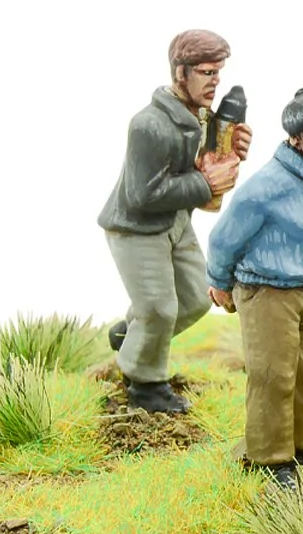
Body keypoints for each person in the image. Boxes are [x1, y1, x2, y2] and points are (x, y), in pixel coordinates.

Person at [98, 29, 252, 415]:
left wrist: (230, 150)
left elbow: (205, 164)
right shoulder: (148, 125)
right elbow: (144, 195)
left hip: (176, 222)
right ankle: (145, 385)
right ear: (180, 72)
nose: (215, 82)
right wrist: (205, 183)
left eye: (218, 72)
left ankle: (133, 334)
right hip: (137, 228)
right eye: (206, 72)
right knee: (160, 309)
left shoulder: (201, 118)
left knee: (197, 297)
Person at [206, 85, 303, 487]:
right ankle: (270, 459)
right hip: (266, 292)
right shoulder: (266, 187)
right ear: (298, 136)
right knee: (273, 376)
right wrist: (219, 282)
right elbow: (223, 239)